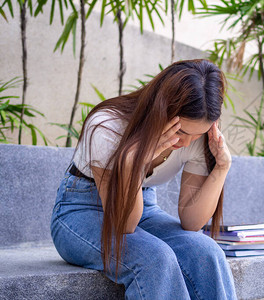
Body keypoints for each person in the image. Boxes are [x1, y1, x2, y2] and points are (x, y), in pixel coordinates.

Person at [50, 59, 238, 299]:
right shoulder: (108, 128)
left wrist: (222, 167)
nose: (186, 143)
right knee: (155, 259)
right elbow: (124, 225)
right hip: (78, 212)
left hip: (144, 208)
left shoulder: (200, 137)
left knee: (206, 252)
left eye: (197, 134)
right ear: (160, 110)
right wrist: (133, 161)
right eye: (180, 132)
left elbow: (192, 223)